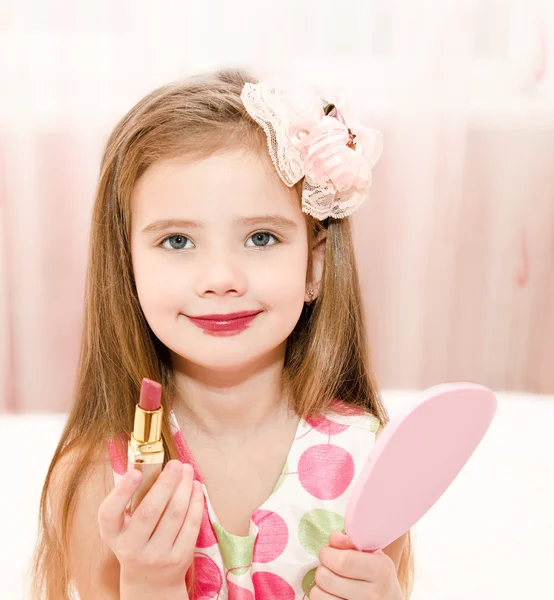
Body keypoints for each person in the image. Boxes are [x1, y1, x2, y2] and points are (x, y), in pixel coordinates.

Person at [30, 68, 415, 600]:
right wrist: (149, 583)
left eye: (261, 237)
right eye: (177, 242)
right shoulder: (99, 479)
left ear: (314, 266)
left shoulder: (369, 458)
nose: (221, 280)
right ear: (128, 267)